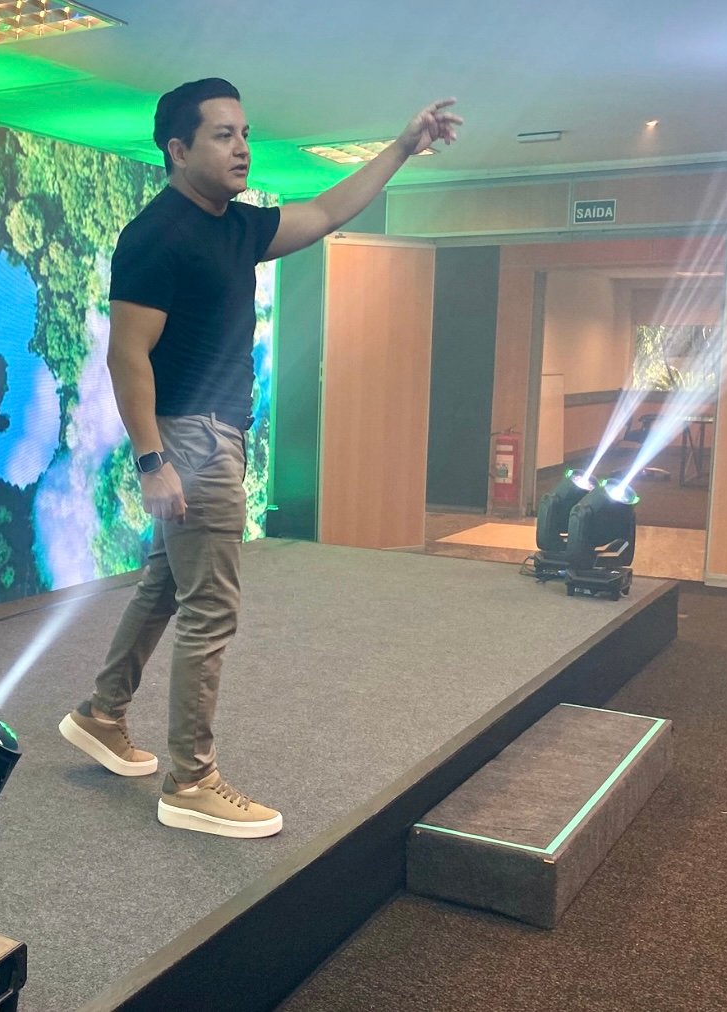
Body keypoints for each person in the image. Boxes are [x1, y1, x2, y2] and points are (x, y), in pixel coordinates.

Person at [59, 79, 462, 838]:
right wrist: (151, 462)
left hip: (214, 434)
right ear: (178, 150)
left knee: (165, 586)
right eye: (222, 135)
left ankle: (102, 714)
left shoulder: (238, 226)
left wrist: (403, 147)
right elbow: (127, 356)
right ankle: (190, 782)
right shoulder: (156, 235)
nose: (241, 147)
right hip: (192, 438)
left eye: (244, 132)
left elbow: (326, 212)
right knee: (210, 608)